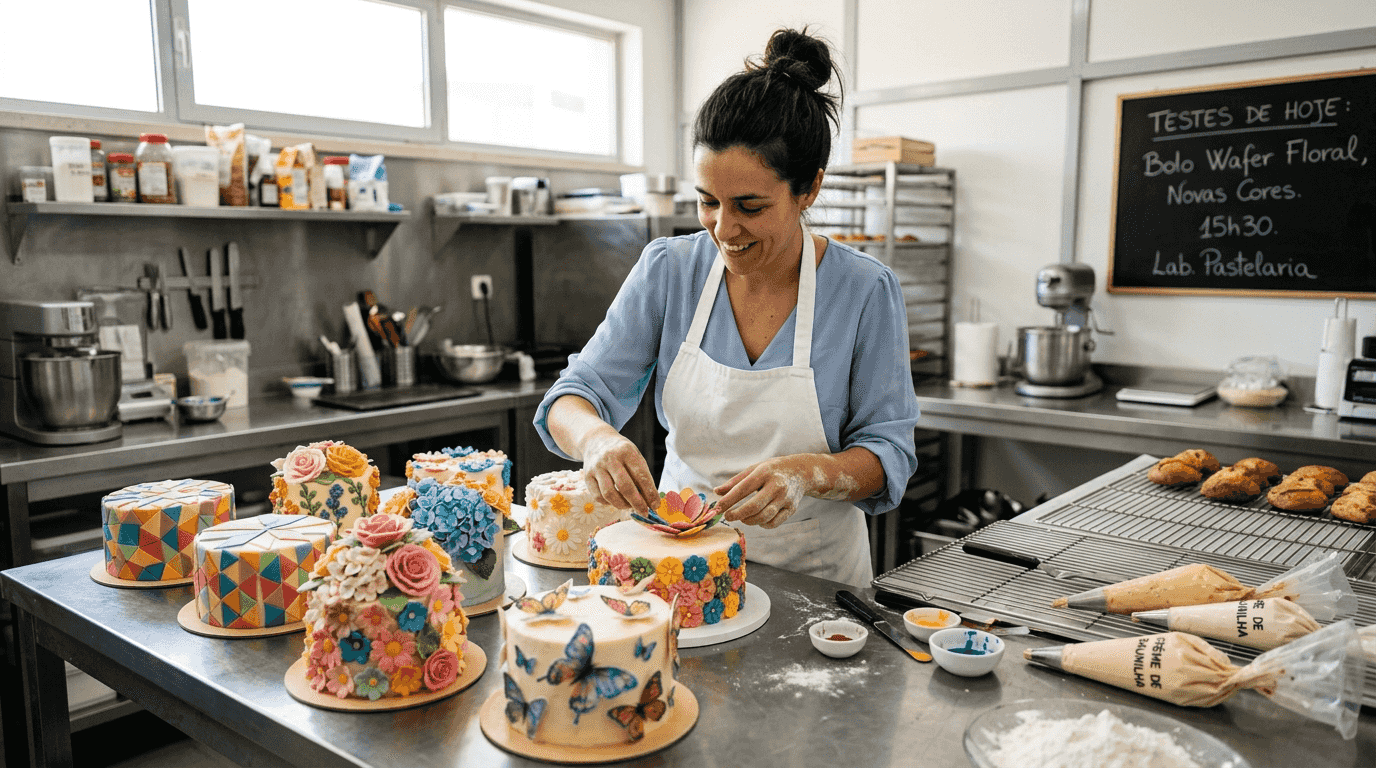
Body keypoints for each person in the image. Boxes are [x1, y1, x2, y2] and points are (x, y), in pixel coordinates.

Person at [535, 27, 920, 587]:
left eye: (750, 206)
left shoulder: (864, 291)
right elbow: (572, 397)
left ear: (809, 188)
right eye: (707, 201)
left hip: (813, 580)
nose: (723, 227)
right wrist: (598, 440)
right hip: (675, 568)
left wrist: (807, 474)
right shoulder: (671, 270)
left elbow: (888, 454)